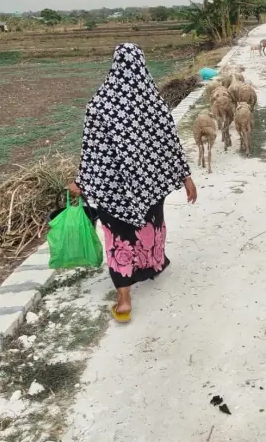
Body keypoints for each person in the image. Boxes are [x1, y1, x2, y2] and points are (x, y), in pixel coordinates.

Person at [68, 43, 197, 323]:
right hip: (149, 185)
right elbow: (170, 144)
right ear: (142, 64)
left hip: (113, 190)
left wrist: (81, 182)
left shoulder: (99, 104)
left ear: (115, 66)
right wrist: (185, 177)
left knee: (119, 239)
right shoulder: (153, 102)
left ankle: (124, 300)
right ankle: (153, 264)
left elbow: (91, 151)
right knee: (150, 225)